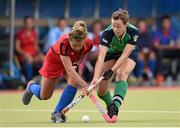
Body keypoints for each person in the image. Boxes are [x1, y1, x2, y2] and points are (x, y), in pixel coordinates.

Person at [22, 20, 93, 123]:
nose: (77, 48)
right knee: (44, 96)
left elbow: (81, 56)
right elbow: (69, 69)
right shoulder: (63, 43)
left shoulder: (88, 43)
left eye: (80, 45)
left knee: (74, 80)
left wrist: (77, 64)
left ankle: (57, 113)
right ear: (70, 40)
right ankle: (31, 87)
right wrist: (84, 84)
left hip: (71, 61)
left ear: (84, 40)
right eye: (74, 45)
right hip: (54, 61)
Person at [91, 9, 140, 119]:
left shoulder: (134, 32)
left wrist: (111, 71)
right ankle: (111, 106)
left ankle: (115, 105)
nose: (115, 29)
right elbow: (101, 57)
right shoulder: (106, 34)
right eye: (113, 25)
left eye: (118, 26)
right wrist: (95, 77)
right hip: (111, 53)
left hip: (128, 53)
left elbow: (124, 56)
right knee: (101, 89)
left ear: (126, 24)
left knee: (121, 73)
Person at [15, 16, 44, 81]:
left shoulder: (34, 33)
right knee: (29, 60)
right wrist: (25, 54)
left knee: (44, 59)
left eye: (30, 22)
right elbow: (17, 48)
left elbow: (35, 46)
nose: (29, 24)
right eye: (27, 22)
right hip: (24, 56)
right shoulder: (19, 34)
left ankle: (44, 81)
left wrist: (40, 54)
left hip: (33, 56)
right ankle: (29, 81)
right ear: (24, 23)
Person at [135, 18, 156, 83]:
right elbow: (134, 46)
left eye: (143, 25)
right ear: (137, 26)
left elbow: (150, 45)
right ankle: (139, 77)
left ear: (145, 26)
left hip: (147, 53)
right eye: (140, 25)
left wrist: (147, 50)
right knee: (141, 55)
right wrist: (141, 51)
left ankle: (151, 76)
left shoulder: (148, 34)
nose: (141, 27)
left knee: (152, 54)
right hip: (137, 53)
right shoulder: (134, 35)